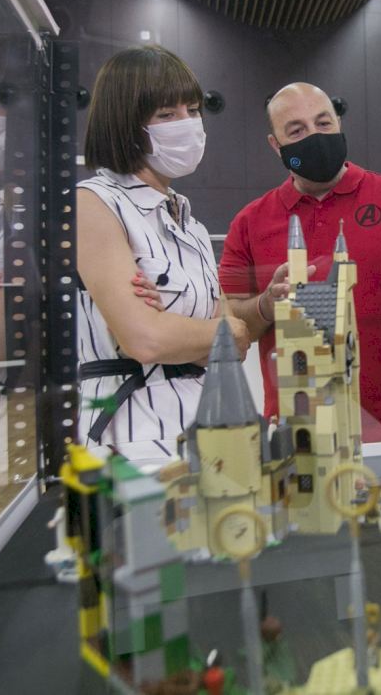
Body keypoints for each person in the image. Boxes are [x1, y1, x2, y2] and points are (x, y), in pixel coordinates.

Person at [219, 82, 381, 441]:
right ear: (276, 145)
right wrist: (266, 306)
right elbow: (231, 322)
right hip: (299, 430)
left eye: (323, 123)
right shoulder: (250, 222)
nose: (315, 137)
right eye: (297, 130)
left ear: (339, 124)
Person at [76, 46, 247, 458]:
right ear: (124, 123)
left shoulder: (191, 223)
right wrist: (224, 331)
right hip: (130, 438)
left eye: (193, 110)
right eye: (167, 114)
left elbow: (234, 347)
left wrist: (186, 330)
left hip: (207, 424)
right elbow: (146, 339)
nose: (187, 124)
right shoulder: (93, 203)